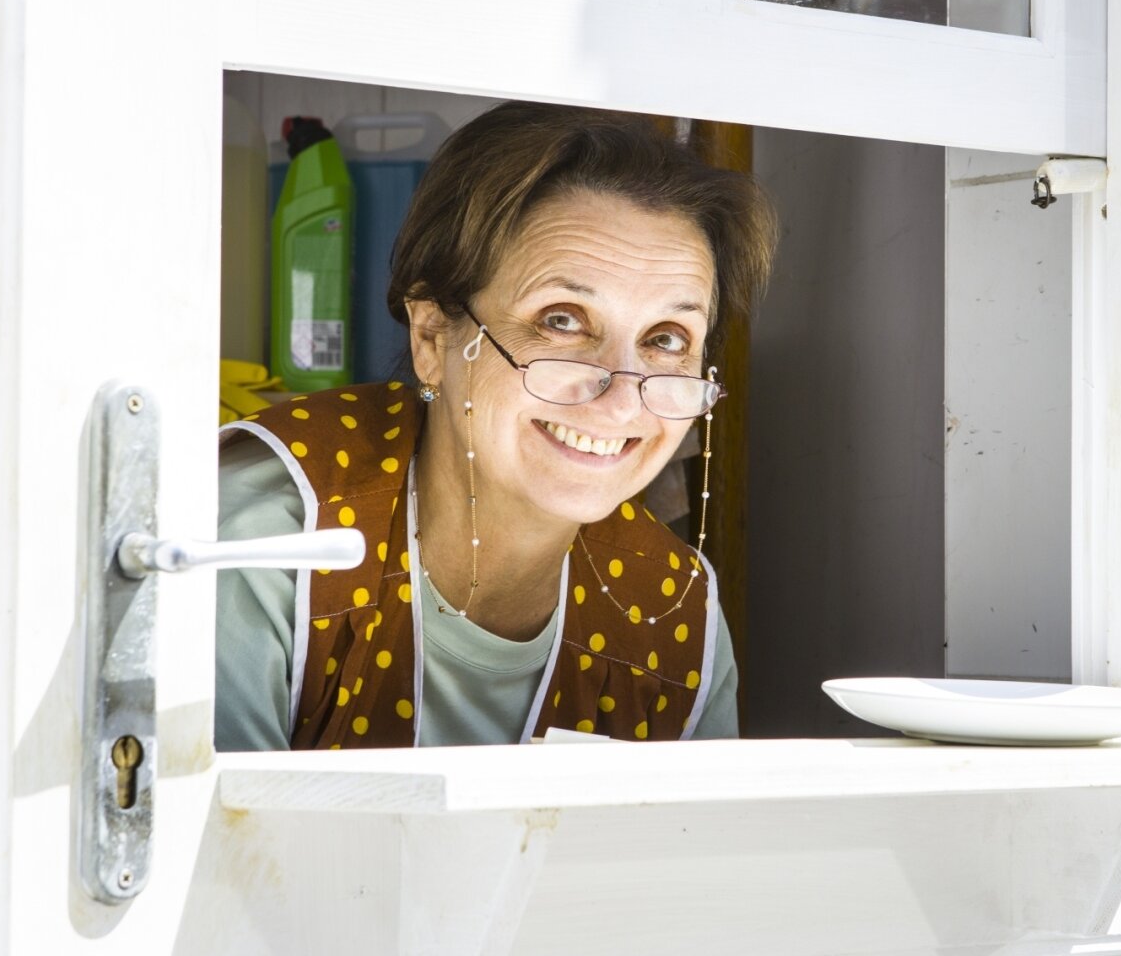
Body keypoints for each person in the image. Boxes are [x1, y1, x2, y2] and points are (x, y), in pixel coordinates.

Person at [215, 101, 778, 749]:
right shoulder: (268, 544)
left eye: (666, 339)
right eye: (561, 321)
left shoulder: (678, 615)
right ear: (432, 337)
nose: (623, 402)